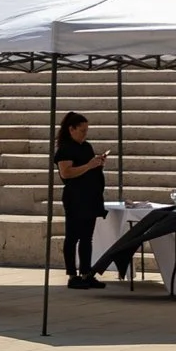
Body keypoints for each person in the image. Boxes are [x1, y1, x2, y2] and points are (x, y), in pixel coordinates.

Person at [56, 111, 107, 288]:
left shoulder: (86, 147)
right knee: (72, 237)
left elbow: (89, 168)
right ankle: (72, 274)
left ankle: (86, 272)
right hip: (75, 197)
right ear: (71, 129)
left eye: (86, 130)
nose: (85, 134)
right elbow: (66, 173)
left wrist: (97, 163)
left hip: (90, 196)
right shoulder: (65, 149)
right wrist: (88, 165)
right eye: (82, 130)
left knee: (87, 237)